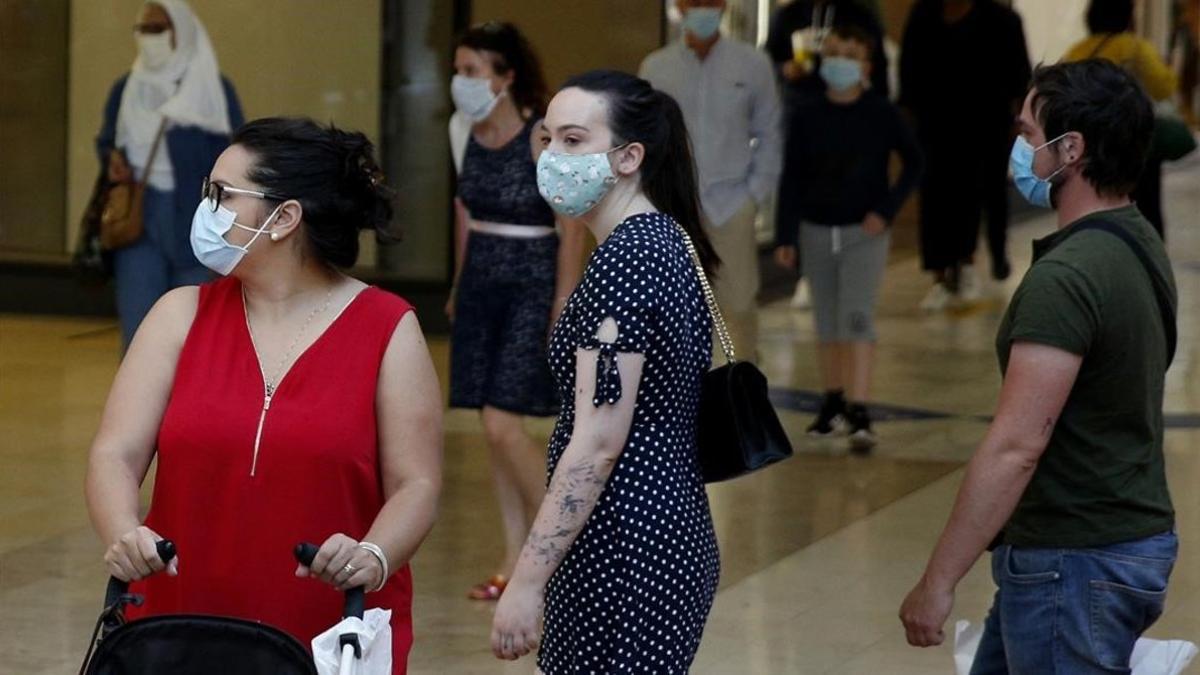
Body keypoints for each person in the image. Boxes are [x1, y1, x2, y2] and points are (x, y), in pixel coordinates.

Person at [85, 118, 443, 673]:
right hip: (179, 625)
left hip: (327, 633)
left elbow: (416, 483)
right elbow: (116, 452)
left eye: (222, 195)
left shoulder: (388, 328)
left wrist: (374, 553)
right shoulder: (179, 315)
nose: (206, 208)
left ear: (284, 218)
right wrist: (122, 531)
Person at [900, 60, 1178, 673]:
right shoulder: (1137, 240)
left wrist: (938, 581)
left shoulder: (1069, 276)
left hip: (1075, 560)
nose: (1018, 148)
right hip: (1109, 544)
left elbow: (1017, 445)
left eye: (1028, 135)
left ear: (1070, 149)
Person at [490, 70, 721, 673]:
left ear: (628, 157)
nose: (551, 157)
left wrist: (526, 580)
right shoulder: (659, 238)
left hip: (627, 541)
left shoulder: (630, 258)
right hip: (649, 527)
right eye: (547, 139)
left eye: (572, 141)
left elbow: (597, 442)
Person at [445, 21, 585, 601]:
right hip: (481, 283)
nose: (462, 83)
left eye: (473, 72)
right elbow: (462, 212)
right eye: (458, 71)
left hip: (531, 280)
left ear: (505, 77)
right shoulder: (463, 130)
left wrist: (561, 302)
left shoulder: (539, 136)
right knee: (491, 427)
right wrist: (457, 285)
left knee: (506, 425)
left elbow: (572, 225)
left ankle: (565, 545)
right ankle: (513, 557)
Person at [773, 24, 923, 450]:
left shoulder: (881, 113)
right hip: (816, 229)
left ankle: (859, 406)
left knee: (856, 318)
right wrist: (786, 235)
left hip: (864, 233)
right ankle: (833, 400)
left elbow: (914, 162)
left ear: (866, 66)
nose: (839, 62)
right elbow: (792, 178)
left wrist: (886, 210)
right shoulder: (807, 113)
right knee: (826, 321)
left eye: (850, 55)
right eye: (833, 53)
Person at [640, 0, 782, 362]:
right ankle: (678, 398)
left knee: (738, 308)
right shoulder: (656, 67)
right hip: (676, 208)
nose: (702, 8)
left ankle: (739, 399)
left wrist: (754, 193)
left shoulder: (751, 64)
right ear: (679, 6)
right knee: (672, 312)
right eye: (694, 1)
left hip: (731, 203)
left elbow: (769, 132)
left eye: (710, 1)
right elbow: (646, 138)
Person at [97, 0, 243, 347]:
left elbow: (237, 152)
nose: (149, 38)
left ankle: (189, 401)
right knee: (140, 325)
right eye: (143, 29)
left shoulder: (212, 89)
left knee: (194, 328)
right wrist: (112, 159)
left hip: (194, 218)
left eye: (158, 29)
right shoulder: (127, 88)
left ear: (182, 32)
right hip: (139, 218)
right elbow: (107, 141)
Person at [899, 0, 1030, 309]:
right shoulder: (924, 15)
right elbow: (909, 70)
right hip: (935, 124)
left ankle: (969, 261)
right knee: (935, 196)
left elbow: (1019, 74)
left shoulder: (1002, 20)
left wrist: (1019, 119)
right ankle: (939, 273)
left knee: (977, 192)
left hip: (986, 124)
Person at [765, 0, 890, 311]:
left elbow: (881, 72)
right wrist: (784, 70)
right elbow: (768, 62)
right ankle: (807, 272)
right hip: (801, 116)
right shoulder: (789, 16)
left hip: (850, 116)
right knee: (803, 191)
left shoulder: (859, 14)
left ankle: (848, 266)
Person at [1064, 0, 1179, 238]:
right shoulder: (1135, 48)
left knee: (1096, 201)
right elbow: (1164, 87)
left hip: (1091, 146)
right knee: (1146, 208)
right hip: (1134, 143)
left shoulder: (1077, 52)